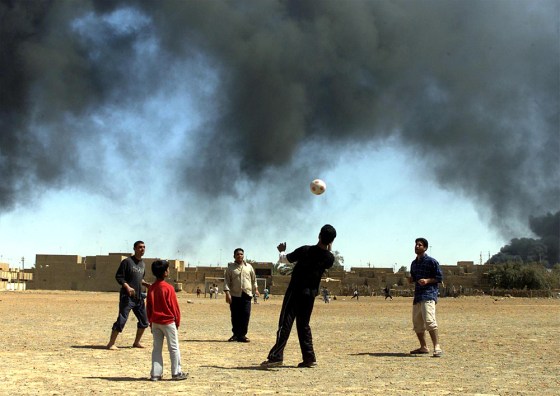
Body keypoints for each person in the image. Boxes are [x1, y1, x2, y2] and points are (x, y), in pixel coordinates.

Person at [260, 224, 337, 369]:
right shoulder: (329, 258)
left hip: (295, 291)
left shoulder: (305, 250)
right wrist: (329, 245)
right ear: (331, 241)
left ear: (319, 235)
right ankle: (309, 358)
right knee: (303, 325)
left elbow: (285, 260)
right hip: (310, 295)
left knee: (285, 323)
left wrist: (282, 251)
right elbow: (327, 254)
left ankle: (276, 356)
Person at [146, 260, 188, 381]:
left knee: (157, 349)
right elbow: (174, 307)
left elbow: (148, 307)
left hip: (155, 322)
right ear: (165, 272)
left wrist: (150, 322)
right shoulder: (169, 288)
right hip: (168, 322)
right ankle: (176, 372)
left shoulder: (152, 288)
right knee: (173, 348)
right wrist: (177, 321)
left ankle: (155, 374)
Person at [107, 241, 151, 350]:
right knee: (122, 319)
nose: (142, 249)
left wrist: (145, 284)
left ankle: (136, 342)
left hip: (139, 297)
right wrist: (127, 287)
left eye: (144, 247)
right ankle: (111, 343)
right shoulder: (127, 262)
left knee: (144, 321)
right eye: (140, 247)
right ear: (134, 249)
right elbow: (119, 277)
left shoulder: (142, 264)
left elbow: (140, 279)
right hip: (127, 297)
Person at [408, 237, 444, 357]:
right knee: (417, 323)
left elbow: (439, 278)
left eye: (420, 245)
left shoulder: (432, 262)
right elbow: (414, 277)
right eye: (416, 245)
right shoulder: (413, 264)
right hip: (418, 295)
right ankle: (423, 347)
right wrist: (411, 279)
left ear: (425, 248)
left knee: (429, 321)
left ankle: (437, 347)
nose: (417, 246)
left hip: (428, 294)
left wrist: (427, 280)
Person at [224, 248, 259, 342]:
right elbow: (226, 281)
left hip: (247, 295)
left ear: (243, 255)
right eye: (238, 254)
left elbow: (253, 279)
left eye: (241, 254)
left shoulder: (249, 267)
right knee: (235, 315)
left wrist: (255, 289)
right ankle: (235, 334)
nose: (240, 256)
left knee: (246, 315)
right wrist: (227, 293)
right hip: (235, 295)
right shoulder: (230, 268)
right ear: (234, 256)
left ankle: (242, 335)